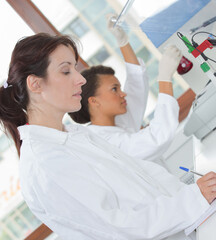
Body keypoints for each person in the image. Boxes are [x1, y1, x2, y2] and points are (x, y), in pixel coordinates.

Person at [0, 32, 216, 240]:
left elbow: (142, 175)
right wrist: (192, 200)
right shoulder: (45, 163)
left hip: (186, 225)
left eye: (75, 68)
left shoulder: (74, 135)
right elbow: (118, 228)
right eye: (66, 71)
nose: (80, 79)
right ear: (35, 84)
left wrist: (191, 195)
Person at [69, 14, 182, 162]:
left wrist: (123, 41)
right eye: (114, 89)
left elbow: (136, 82)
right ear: (94, 101)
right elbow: (156, 138)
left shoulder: (117, 122)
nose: (123, 94)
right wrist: (165, 79)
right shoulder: (103, 142)